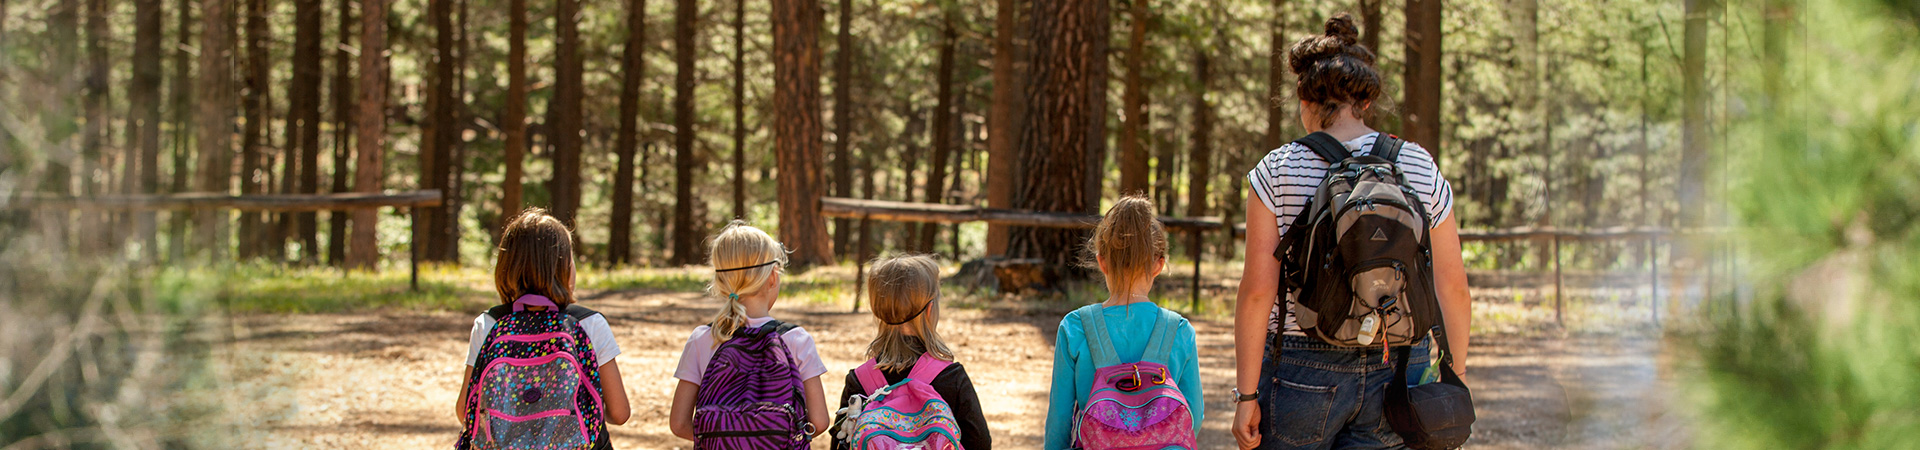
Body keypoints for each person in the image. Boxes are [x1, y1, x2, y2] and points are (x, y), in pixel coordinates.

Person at [1229, 13, 1474, 450]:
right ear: (1364, 101)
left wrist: (1247, 395)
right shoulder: (1417, 163)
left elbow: (1256, 293)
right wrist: (1454, 373)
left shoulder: (1278, 169)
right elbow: (1452, 286)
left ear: (1305, 99)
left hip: (1301, 365)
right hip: (1399, 361)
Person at [456, 208, 631, 448]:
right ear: (564, 267)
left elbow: (465, 411)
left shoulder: (489, 324)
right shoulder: (588, 323)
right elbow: (619, 413)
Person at [1043, 196, 1204, 449]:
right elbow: (1194, 413)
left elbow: (1059, 422)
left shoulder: (1076, 327)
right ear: (1158, 265)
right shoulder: (1179, 330)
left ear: (1102, 261)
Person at [668, 221, 831, 446]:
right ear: (773, 277)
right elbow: (819, 421)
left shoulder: (702, 338)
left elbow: (679, 423)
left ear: (721, 281)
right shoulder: (796, 339)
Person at [830, 254, 991, 450]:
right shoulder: (952, 377)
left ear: (877, 311)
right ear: (930, 310)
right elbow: (980, 443)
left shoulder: (859, 380)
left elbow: (839, 445)